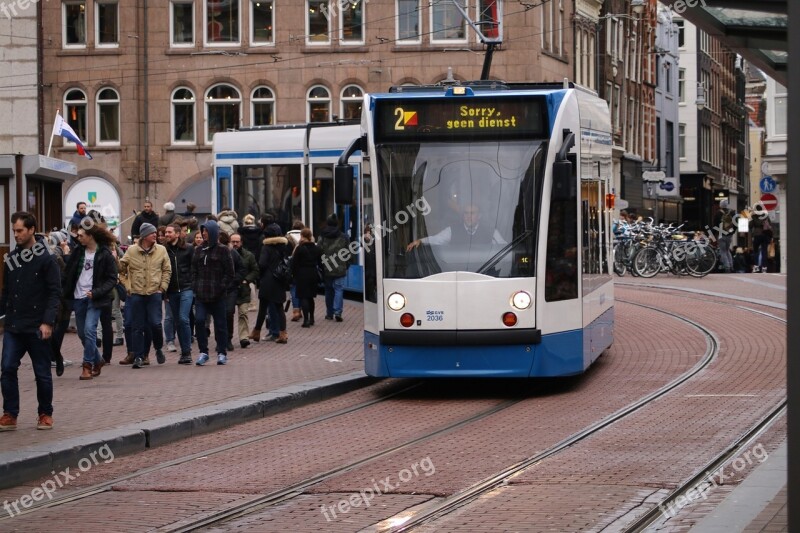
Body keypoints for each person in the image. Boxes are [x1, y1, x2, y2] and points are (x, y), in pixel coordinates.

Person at [1, 212, 61, 430]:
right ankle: (10, 413)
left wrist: (48, 322)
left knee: (42, 372)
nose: (16, 234)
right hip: (14, 325)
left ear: (31, 230)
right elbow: (6, 293)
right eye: (14, 230)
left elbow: (55, 293)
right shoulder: (11, 259)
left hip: (37, 326)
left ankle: (45, 413)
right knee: (7, 368)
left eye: (20, 231)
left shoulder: (47, 258)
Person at [62, 220, 119, 380]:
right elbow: (69, 272)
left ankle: (87, 366)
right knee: (82, 334)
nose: (78, 238)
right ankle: (98, 359)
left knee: (89, 330)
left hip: (95, 299)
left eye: (81, 235)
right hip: (78, 298)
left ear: (90, 236)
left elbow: (112, 278)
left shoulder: (104, 254)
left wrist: (96, 292)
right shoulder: (78, 252)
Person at [118, 222, 171, 369]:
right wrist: (128, 287)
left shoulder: (161, 250)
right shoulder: (131, 251)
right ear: (143, 236)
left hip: (154, 293)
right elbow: (121, 271)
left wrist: (163, 287)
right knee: (137, 326)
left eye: (155, 232)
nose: (155, 235)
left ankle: (158, 348)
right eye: (152, 233)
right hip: (136, 293)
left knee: (155, 323)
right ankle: (139, 356)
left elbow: (167, 270)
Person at [191, 220, 234, 365]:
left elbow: (230, 273)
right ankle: (203, 352)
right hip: (201, 294)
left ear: (214, 232)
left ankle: (222, 352)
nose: (203, 234)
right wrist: (195, 286)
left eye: (206, 231)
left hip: (218, 295)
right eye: (202, 231)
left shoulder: (223, 250)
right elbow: (194, 271)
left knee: (220, 325)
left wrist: (221, 287)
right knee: (199, 321)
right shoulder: (198, 250)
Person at [406, 203, 505, 251]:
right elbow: (437, 239)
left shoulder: (491, 232)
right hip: (457, 272)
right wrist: (421, 241)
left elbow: (504, 248)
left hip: (486, 273)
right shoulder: (452, 230)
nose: (468, 216)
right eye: (466, 213)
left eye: (472, 213)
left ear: (479, 216)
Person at [164, 223, 195, 364]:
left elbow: (195, 268)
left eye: (169, 232)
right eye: (165, 232)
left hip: (186, 288)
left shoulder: (188, 249)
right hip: (171, 291)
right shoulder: (163, 250)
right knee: (177, 322)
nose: (166, 234)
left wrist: (193, 285)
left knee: (183, 319)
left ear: (177, 234)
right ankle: (184, 352)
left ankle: (187, 351)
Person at [257, 223, 290, 344]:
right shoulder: (284, 246)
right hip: (280, 280)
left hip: (268, 281)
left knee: (262, 307)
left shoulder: (266, 248)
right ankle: (283, 334)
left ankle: (256, 332)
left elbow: (262, 264)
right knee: (279, 308)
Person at [317, 214, 349, 322]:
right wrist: (347, 264)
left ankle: (329, 313)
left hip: (326, 267)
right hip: (340, 267)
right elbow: (348, 252)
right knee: (339, 289)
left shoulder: (322, 236)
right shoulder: (344, 236)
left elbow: (319, 251)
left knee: (328, 290)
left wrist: (321, 265)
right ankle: (338, 312)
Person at [230, 233, 259, 348]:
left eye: (237, 241)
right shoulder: (225, 254)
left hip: (243, 289)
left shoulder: (249, 255)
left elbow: (255, 270)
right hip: (230, 289)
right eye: (233, 241)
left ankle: (244, 337)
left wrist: (247, 280)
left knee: (243, 313)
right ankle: (228, 337)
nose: (235, 244)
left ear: (241, 242)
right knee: (228, 314)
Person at [291, 228, 322, 327]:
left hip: (302, 274)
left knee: (303, 297)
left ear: (302, 236)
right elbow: (321, 262)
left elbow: (294, 263)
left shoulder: (300, 248)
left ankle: (306, 320)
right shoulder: (317, 248)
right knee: (310, 297)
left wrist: (294, 275)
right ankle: (312, 318)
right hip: (313, 273)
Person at [285, 220, 305, 322]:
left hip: (292, 267)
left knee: (294, 288)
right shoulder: (306, 237)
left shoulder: (287, 238)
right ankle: (303, 309)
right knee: (303, 289)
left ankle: (296, 311)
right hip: (304, 268)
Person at [713, 199, 734, 273]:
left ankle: (727, 267)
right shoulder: (732, 212)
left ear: (720, 205)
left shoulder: (718, 213)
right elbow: (736, 223)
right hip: (729, 235)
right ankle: (731, 266)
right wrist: (732, 232)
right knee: (727, 250)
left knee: (723, 251)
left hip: (721, 234)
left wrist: (712, 235)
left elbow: (715, 225)